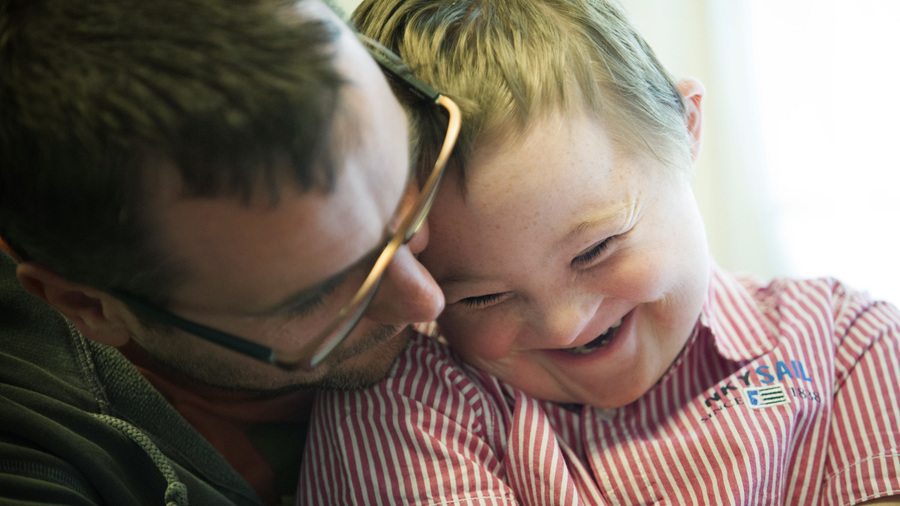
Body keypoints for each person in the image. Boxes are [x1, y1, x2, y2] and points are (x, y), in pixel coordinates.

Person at [298, 0, 900, 504]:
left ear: (687, 128)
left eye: (596, 249)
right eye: (481, 296)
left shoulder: (843, 348)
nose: (564, 325)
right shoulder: (404, 410)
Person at [0, 0, 461, 503]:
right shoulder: (39, 466)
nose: (426, 300)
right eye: (317, 294)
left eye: (412, 181)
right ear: (89, 307)